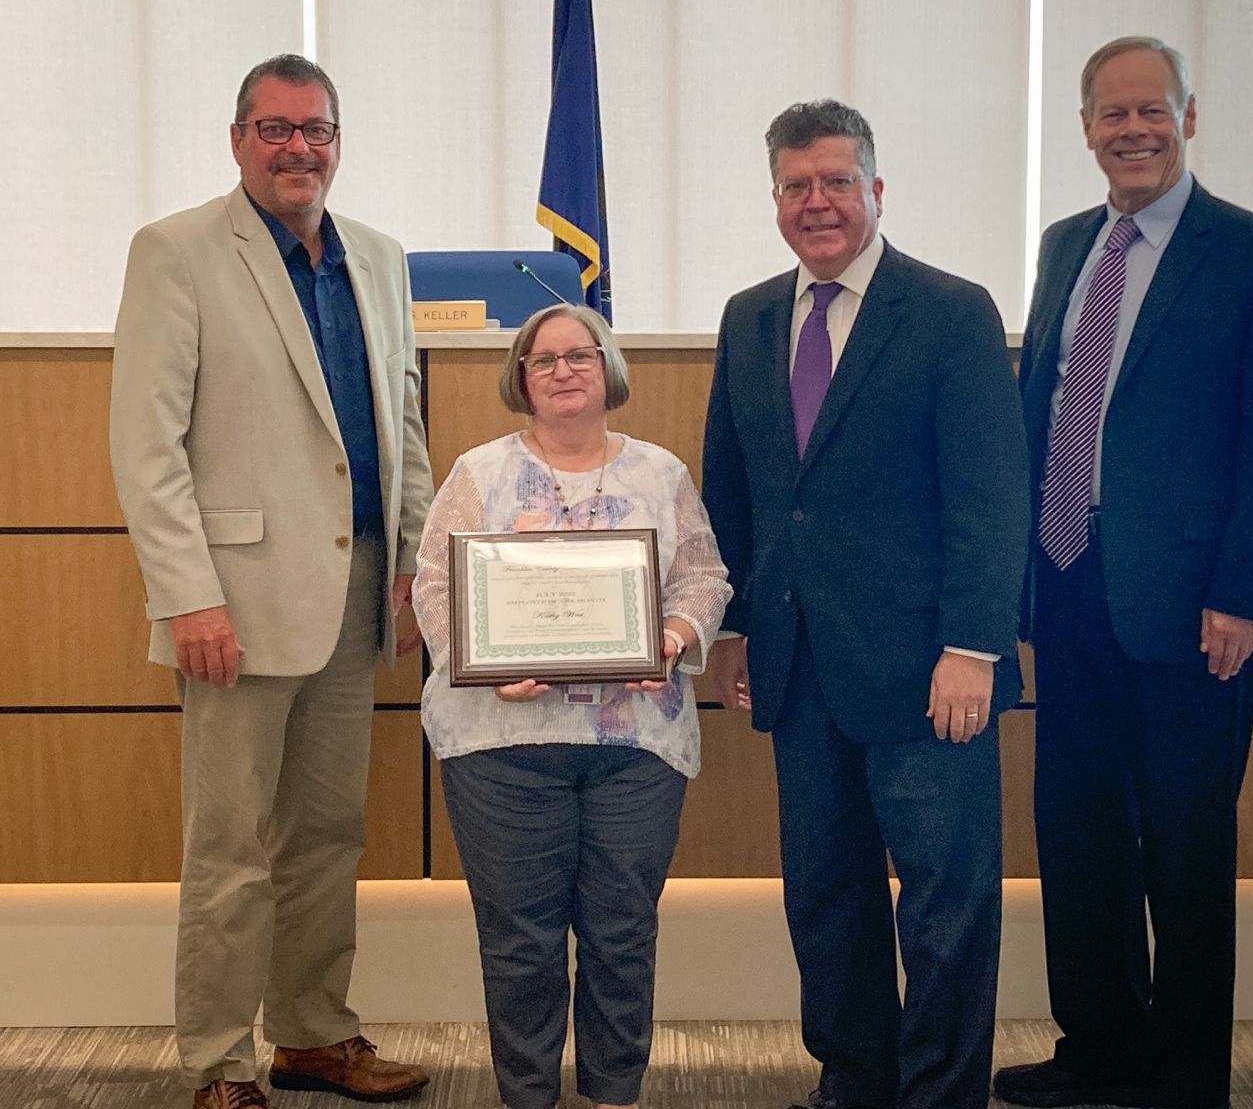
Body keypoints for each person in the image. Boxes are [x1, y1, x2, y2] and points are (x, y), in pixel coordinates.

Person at [993, 37, 1253, 1109]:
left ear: (1190, 114)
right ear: (1084, 127)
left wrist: (1244, 592)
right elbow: (1044, 404)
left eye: (1153, 111)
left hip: (1191, 610)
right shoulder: (1061, 246)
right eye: (1110, 114)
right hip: (1066, 583)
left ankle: (1182, 1082)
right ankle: (1097, 1056)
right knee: (1078, 839)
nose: (1132, 130)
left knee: (1183, 854)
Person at [110, 54, 434, 1109]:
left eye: (317, 129)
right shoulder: (178, 253)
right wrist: (185, 595)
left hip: (358, 600)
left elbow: (406, 427)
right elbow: (146, 444)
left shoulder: (381, 259)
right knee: (230, 849)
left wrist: (414, 566)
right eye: (276, 128)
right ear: (239, 138)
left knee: (328, 837)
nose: (300, 148)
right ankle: (218, 1060)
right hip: (234, 608)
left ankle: (311, 1035)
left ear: (339, 141)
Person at [701, 100, 1029, 1109]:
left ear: (876, 191)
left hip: (929, 675)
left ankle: (937, 1097)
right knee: (827, 901)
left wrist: (973, 646)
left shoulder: (949, 310)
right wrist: (733, 625)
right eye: (797, 186)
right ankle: (853, 1080)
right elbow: (736, 488)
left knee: (945, 907)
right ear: (774, 200)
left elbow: (990, 493)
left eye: (837, 182)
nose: (818, 203)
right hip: (800, 672)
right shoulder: (749, 316)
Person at [412, 303, 730, 1109]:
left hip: (634, 751)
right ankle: (527, 1095)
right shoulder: (477, 475)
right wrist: (485, 667)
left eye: (579, 356)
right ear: (520, 377)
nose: (562, 371)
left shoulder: (659, 474)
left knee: (622, 936)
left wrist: (668, 636)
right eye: (542, 359)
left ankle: (613, 1094)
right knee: (520, 943)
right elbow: (437, 587)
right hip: (499, 746)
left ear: (608, 368)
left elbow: (703, 578)